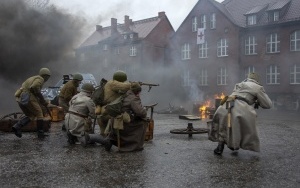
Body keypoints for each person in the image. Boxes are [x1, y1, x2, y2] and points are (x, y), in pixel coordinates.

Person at [212, 72, 272, 155]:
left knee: (224, 124)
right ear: (257, 80)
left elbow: (238, 94)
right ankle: (234, 145)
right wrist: (257, 101)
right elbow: (267, 104)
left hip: (226, 104)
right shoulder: (258, 88)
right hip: (241, 107)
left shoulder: (239, 84)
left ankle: (220, 146)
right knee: (241, 127)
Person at [84, 82, 148, 152]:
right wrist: (144, 110)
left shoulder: (124, 94)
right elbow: (141, 112)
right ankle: (134, 146)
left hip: (115, 120)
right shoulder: (134, 98)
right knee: (142, 123)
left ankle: (104, 139)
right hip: (124, 124)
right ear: (137, 91)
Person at [12, 68, 52, 139]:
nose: (47, 79)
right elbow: (35, 87)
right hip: (29, 98)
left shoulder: (31, 78)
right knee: (40, 114)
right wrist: (42, 100)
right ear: (45, 76)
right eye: (47, 77)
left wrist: (41, 100)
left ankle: (17, 126)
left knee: (31, 115)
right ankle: (40, 134)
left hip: (21, 99)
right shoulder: (40, 79)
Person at [95, 70, 131, 136]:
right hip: (109, 112)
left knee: (103, 134)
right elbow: (127, 86)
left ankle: (102, 140)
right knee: (126, 118)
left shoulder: (109, 83)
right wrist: (134, 84)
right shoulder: (113, 83)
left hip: (103, 110)